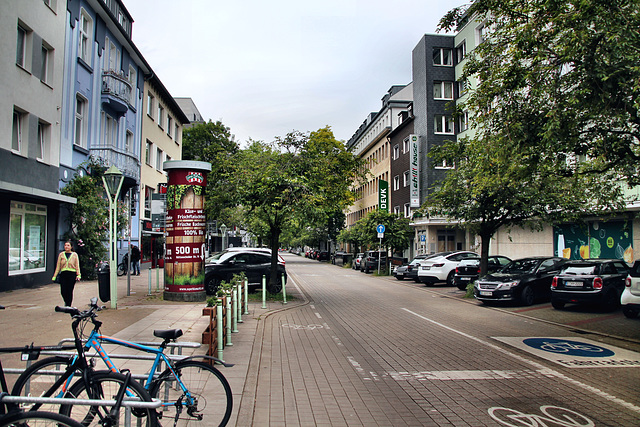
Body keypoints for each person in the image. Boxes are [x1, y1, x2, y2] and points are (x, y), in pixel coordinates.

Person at [52, 241, 81, 307]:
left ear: (71, 247)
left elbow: (77, 265)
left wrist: (78, 274)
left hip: (72, 274)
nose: (66, 247)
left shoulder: (74, 255)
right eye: (65, 245)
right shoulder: (61, 254)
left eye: (68, 245)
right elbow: (58, 266)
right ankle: (66, 301)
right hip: (64, 274)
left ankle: (68, 305)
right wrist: (54, 276)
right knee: (63, 291)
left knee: (69, 290)